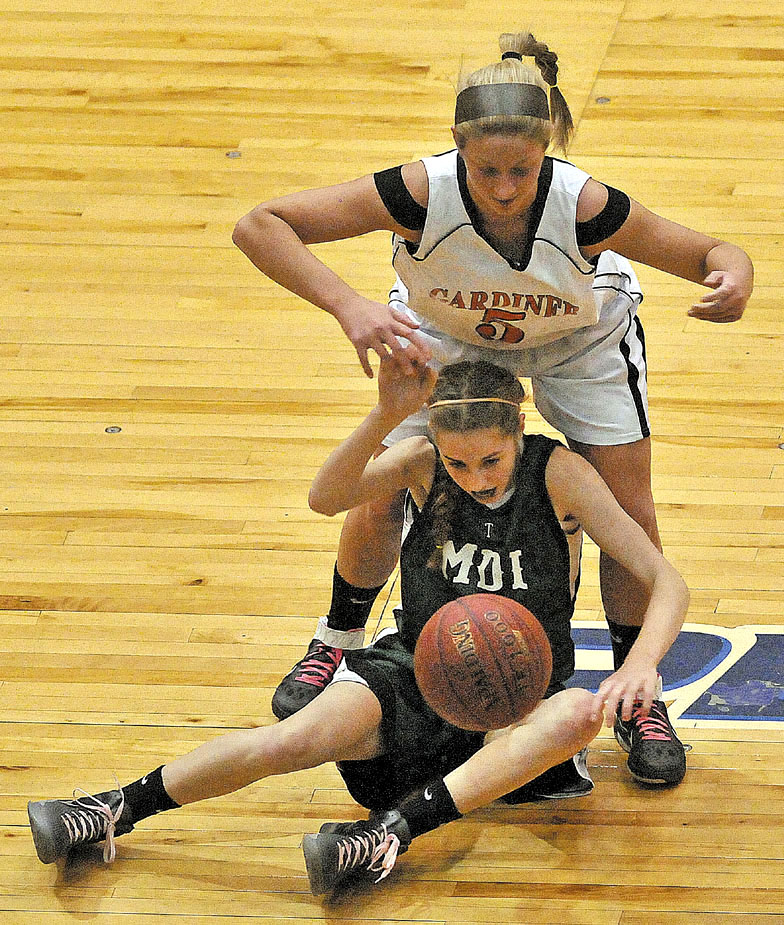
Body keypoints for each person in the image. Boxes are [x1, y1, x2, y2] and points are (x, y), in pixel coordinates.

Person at [232, 29, 752, 785]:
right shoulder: (417, 190)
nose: (505, 188)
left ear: (549, 152)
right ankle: (336, 640)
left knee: (630, 511)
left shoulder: (588, 206)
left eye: (522, 169)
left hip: (580, 338)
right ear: (455, 150)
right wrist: (346, 304)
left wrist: (731, 280)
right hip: (449, 332)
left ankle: (641, 698)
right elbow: (261, 224)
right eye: (486, 171)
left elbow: (712, 250)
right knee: (384, 489)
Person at [27, 357, 690, 895]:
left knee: (576, 711)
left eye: (490, 460)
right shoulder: (419, 463)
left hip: (513, 704)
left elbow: (667, 580)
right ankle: (110, 808)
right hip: (413, 673)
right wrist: (385, 415)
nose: (476, 478)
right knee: (294, 737)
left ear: (517, 430)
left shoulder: (562, 476)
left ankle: (386, 835)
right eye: (459, 464)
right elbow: (324, 496)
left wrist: (642, 663)